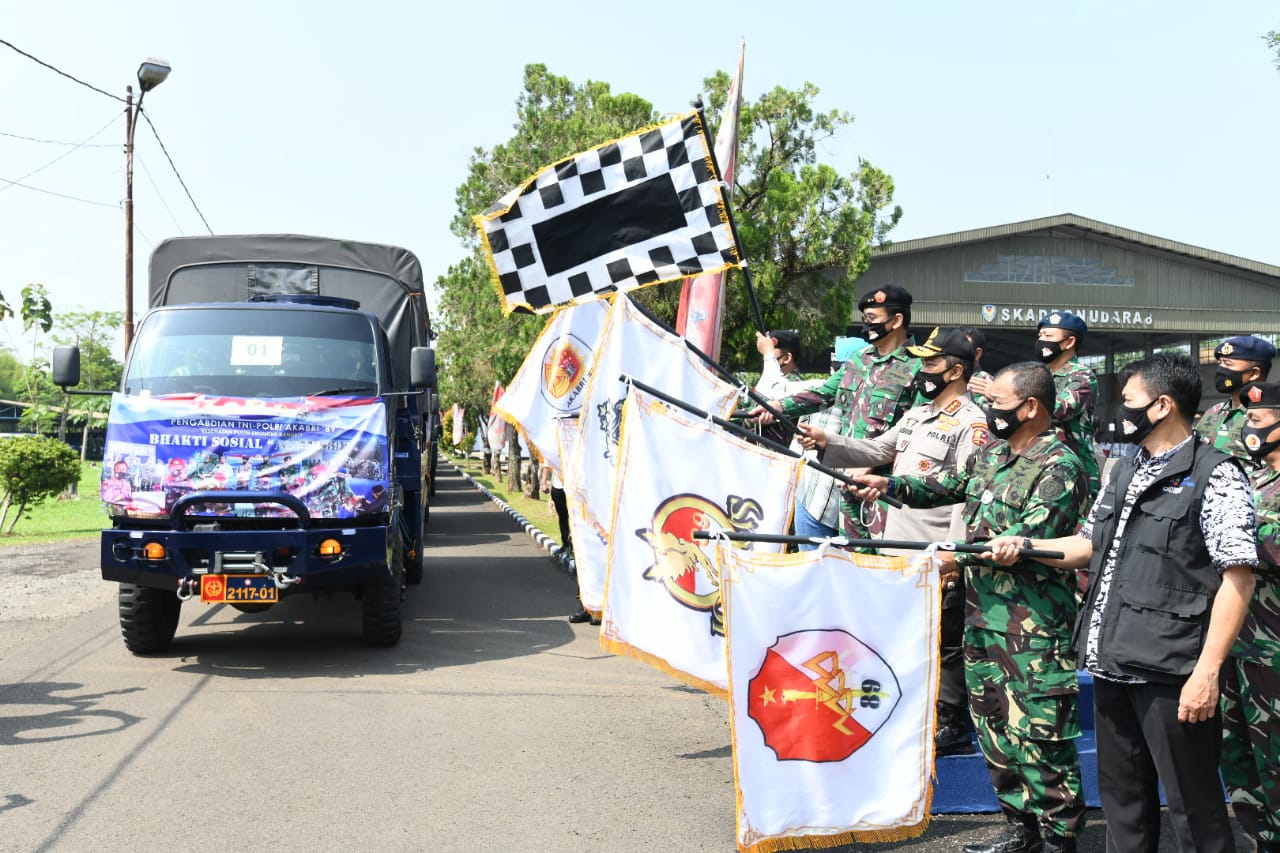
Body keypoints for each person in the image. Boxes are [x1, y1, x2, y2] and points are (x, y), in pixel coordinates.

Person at [986, 352, 1257, 853]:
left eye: (1129, 401)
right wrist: (1026, 547)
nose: (1119, 410)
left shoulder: (1215, 474)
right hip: (1112, 663)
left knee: (1193, 811)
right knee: (1124, 809)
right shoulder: (1123, 468)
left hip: (1172, 672)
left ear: (1162, 406)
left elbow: (1237, 580)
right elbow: (1089, 545)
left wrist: (1207, 673)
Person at [849, 361, 1090, 853]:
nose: (991, 412)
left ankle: (1060, 838)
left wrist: (991, 548)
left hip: (1033, 630)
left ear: (1030, 407)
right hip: (982, 621)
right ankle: (1021, 830)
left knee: (1041, 737)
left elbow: (1039, 532)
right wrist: (889, 485)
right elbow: (945, 485)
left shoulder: (1060, 464)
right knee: (996, 730)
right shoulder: (994, 454)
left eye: (998, 404)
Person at [799, 327, 988, 757]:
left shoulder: (971, 423)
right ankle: (914, 713)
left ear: (955, 370)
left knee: (945, 643)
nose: (922, 370)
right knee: (908, 637)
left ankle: (952, 723)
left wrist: (955, 555)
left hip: (936, 551)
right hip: (897, 546)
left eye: (931, 363)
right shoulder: (919, 414)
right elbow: (877, 450)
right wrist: (829, 442)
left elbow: (966, 494)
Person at [753, 285, 921, 547]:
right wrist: (778, 406)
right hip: (848, 490)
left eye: (872, 319)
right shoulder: (859, 359)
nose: (867, 326)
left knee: (878, 570)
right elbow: (823, 394)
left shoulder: (919, 366)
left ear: (897, 320)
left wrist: (874, 461)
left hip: (883, 492)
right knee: (844, 569)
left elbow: (916, 429)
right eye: (865, 319)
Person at [1220, 380, 1280, 851]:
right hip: (1239, 645)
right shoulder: (1249, 478)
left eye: (1257, 421)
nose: (1247, 429)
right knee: (1241, 757)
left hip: (1275, 650)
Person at [1196, 335, 1277, 463]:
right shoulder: (1213, 413)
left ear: (1254, 373)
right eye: (1220, 363)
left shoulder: (1270, 419)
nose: (1221, 370)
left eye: (1228, 364)